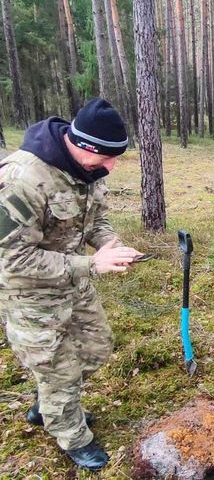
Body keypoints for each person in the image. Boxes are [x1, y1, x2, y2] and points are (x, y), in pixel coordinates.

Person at [0, 98, 142, 471]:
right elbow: (11, 260)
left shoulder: (88, 173)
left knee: (96, 348)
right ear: (84, 146)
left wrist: (109, 244)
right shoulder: (21, 180)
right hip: (29, 297)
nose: (111, 168)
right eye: (107, 158)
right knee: (59, 371)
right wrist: (91, 263)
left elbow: (95, 221)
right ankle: (72, 437)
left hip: (74, 285)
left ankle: (48, 404)